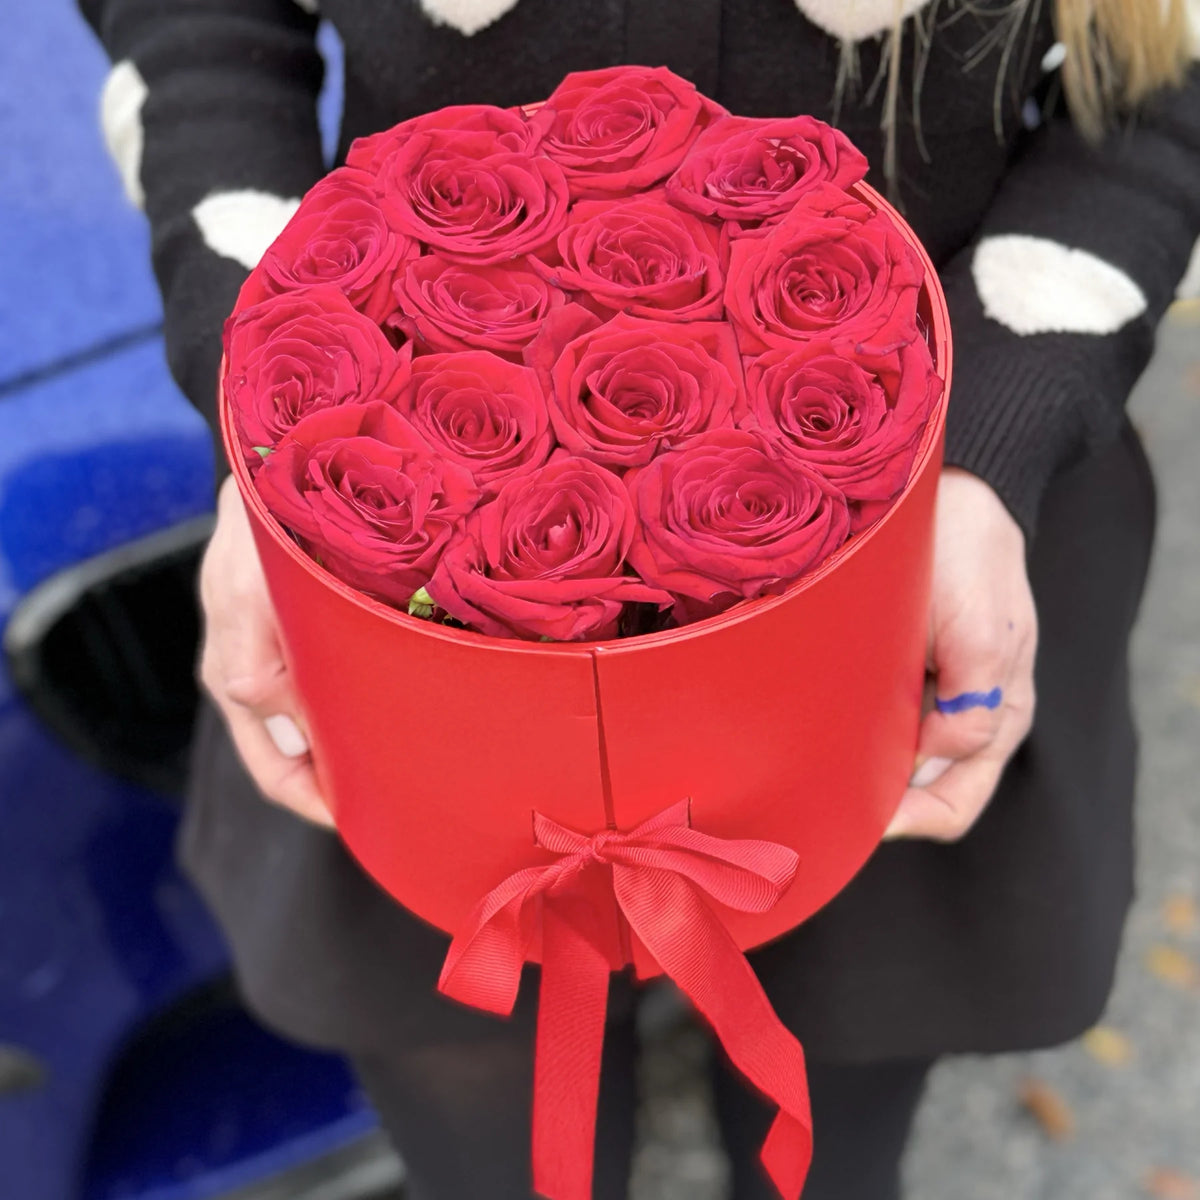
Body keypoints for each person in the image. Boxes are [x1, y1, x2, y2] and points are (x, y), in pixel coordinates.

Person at [79, 2, 1199, 1197]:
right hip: (396, 589)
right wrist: (272, 414)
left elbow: (1161, 82)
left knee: (831, 1134)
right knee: (490, 1145)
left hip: (916, 582)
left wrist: (990, 443)